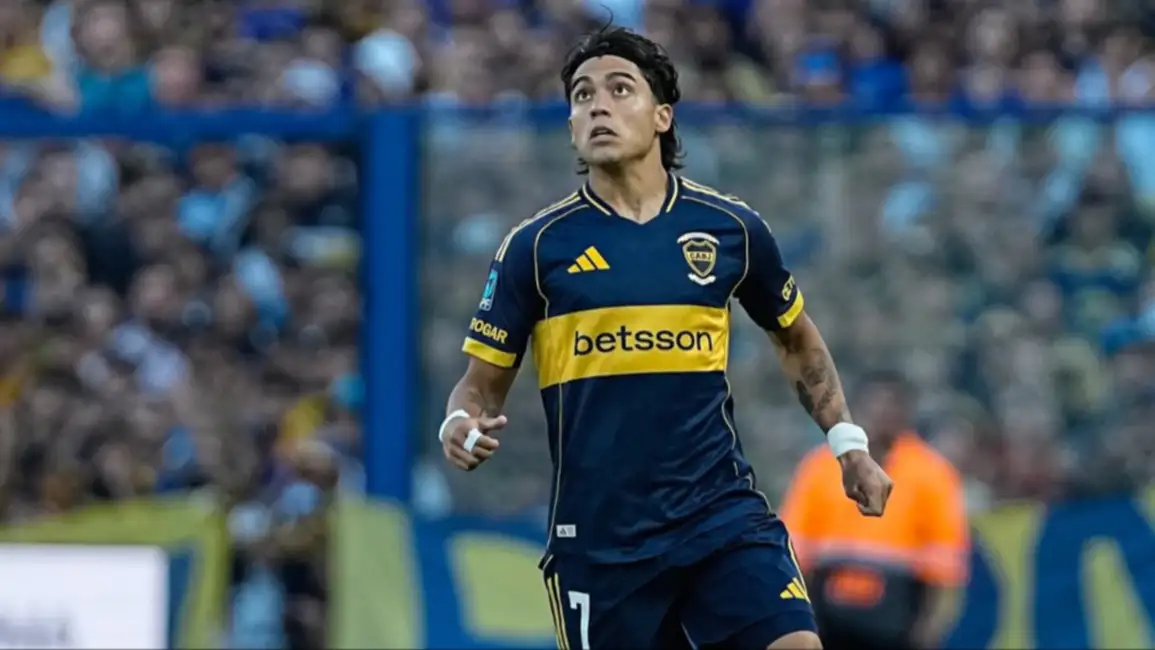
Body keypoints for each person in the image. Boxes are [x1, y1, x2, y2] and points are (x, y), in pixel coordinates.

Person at [439, 25, 894, 650]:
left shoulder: (731, 229)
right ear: (570, 126)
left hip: (720, 517)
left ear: (662, 116)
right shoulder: (535, 248)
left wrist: (849, 444)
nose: (597, 106)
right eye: (581, 95)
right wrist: (458, 423)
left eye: (619, 89)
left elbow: (796, 340)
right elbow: (478, 387)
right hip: (600, 542)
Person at [780, 371, 969, 650]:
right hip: (826, 613)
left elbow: (946, 565)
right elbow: (794, 550)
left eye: (892, 405)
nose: (882, 414)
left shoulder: (933, 474)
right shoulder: (819, 468)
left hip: (900, 617)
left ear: (907, 412)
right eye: (875, 404)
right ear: (854, 409)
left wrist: (931, 626)